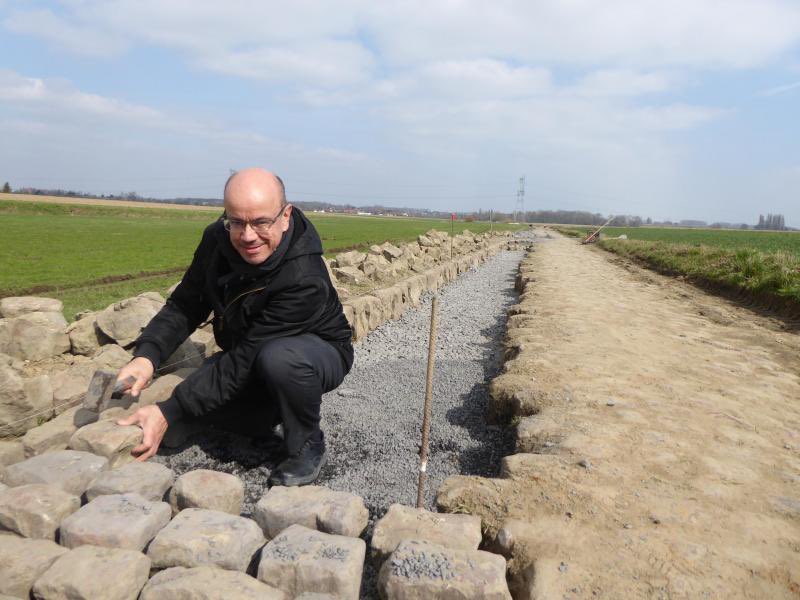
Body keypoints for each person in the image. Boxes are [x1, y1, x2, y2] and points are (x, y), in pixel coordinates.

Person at [116, 168, 353, 486]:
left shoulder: (303, 278)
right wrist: (147, 355)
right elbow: (187, 302)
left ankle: (306, 444)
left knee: (279, 360)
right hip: (253, 346)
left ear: (285, 216)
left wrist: (170, 409)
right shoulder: (217, 239)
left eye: (260, 222)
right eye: (236, 222)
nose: (247, 235)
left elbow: (245, 358)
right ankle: (265, 411)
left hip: (315, 350)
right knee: (232, 407)